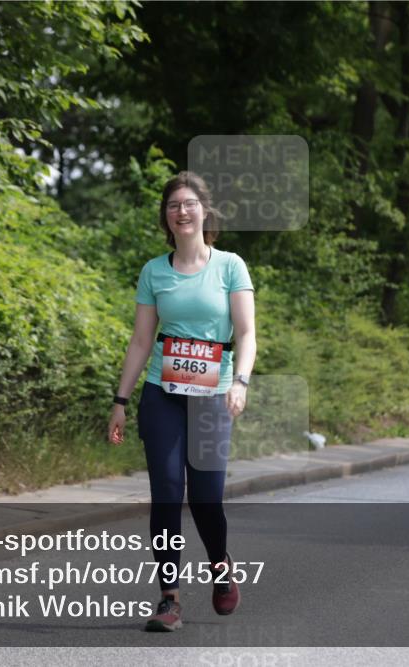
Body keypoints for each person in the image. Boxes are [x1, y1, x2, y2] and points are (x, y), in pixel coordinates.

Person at [107, 171, 256, 631]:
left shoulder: (230, 265)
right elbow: (140, 340)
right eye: (174, 205)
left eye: (190, 203)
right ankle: (168, 599)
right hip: (162, 393)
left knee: (207, 498)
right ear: (166, 218)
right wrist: (120, 400)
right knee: (167, 494)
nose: (182, 211)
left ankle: (220, 566)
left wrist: (241, 382)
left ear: (204, 211)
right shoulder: (154, 271)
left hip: (213, 396)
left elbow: (247, 333)